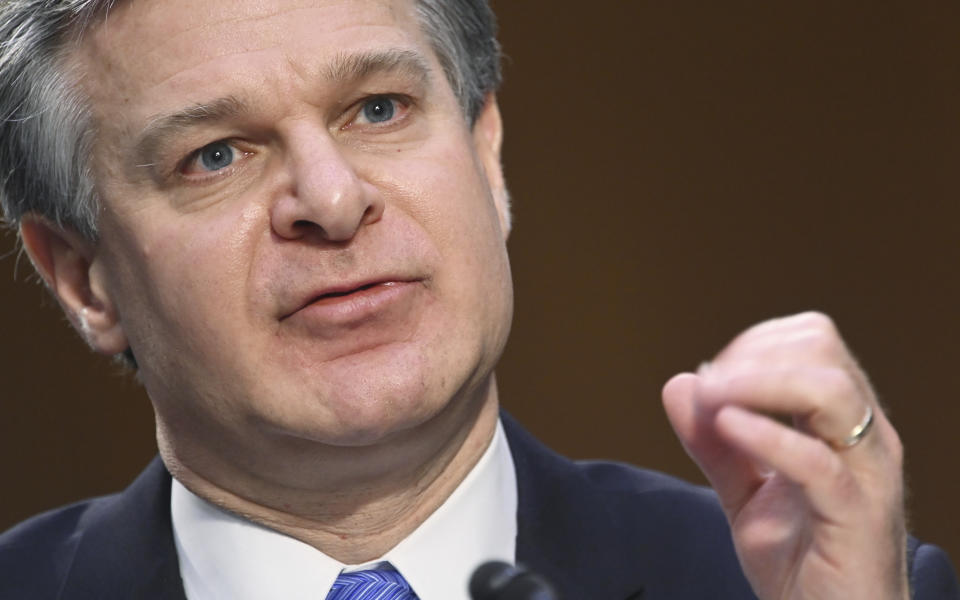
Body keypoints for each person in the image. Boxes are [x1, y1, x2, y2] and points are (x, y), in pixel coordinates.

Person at [0, 1, 955, 599]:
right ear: (84, 278)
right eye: (215, 155)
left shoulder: (817, 590)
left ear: (487, 156)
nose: (332, 202)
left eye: (379, 109)